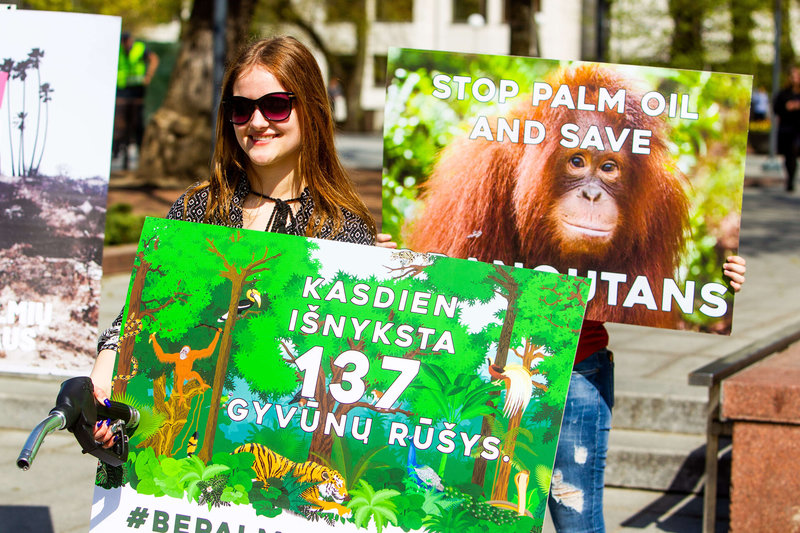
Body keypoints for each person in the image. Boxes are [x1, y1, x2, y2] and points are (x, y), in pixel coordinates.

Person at [91, 35, 392, 446]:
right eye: (241, 108)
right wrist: (105, 370)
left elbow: (349, 366)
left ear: (313, 108)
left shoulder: (344, 228)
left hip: (277, 445)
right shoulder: (199, 207)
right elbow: (140, 316)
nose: (257, 122)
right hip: (182, 427)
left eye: (276, 105)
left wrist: (384, 287)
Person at [547, 256, 747, 532]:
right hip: (492, 356)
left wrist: (717, 282)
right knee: (487, 515)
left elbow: (644, 278)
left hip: (578, 364)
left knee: (576, 519)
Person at [115, 32, 159, 168]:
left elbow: (153, 59)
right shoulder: (119, 50)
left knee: (137, 123)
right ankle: (118, 153)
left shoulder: (139, 48)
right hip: (122, 90)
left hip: (137, 90)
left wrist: (148, 76)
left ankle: (139, 153)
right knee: (120, 124)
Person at [773, 65, 800, 192]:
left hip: (797, 129)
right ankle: (790, 178)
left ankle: (791, 179)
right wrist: (787, 107)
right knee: (789, 156)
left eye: (797, 76)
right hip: (787, 128)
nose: (795, 79)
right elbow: (776, 108)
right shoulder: (784, 94)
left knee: (794, 152)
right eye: (793, 76)